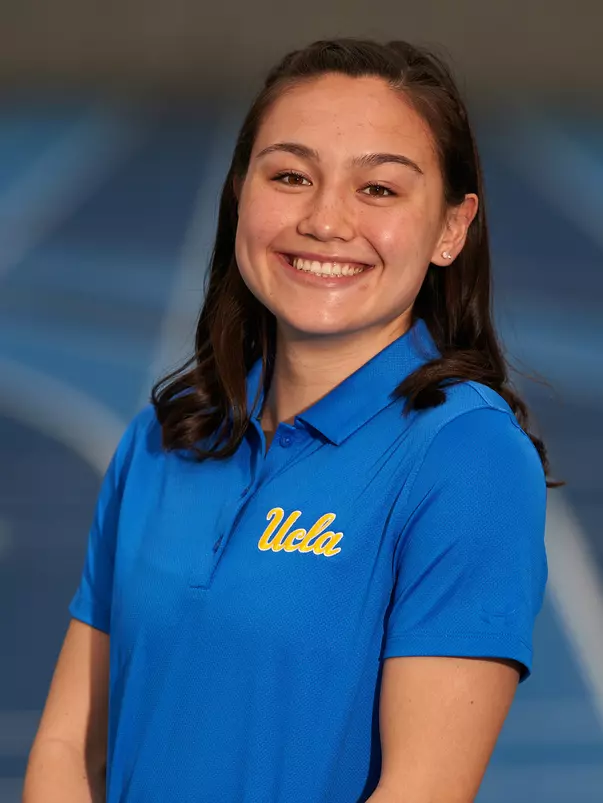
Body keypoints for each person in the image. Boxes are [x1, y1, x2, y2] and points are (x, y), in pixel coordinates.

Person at [24, 38, 557, 803]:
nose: (325, 220)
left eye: (377, 189)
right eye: (290, 176)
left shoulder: (466, 456)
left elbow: (422, 788)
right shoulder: (163, 438)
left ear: (450, 228)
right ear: (240, 193)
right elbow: (69, 744)